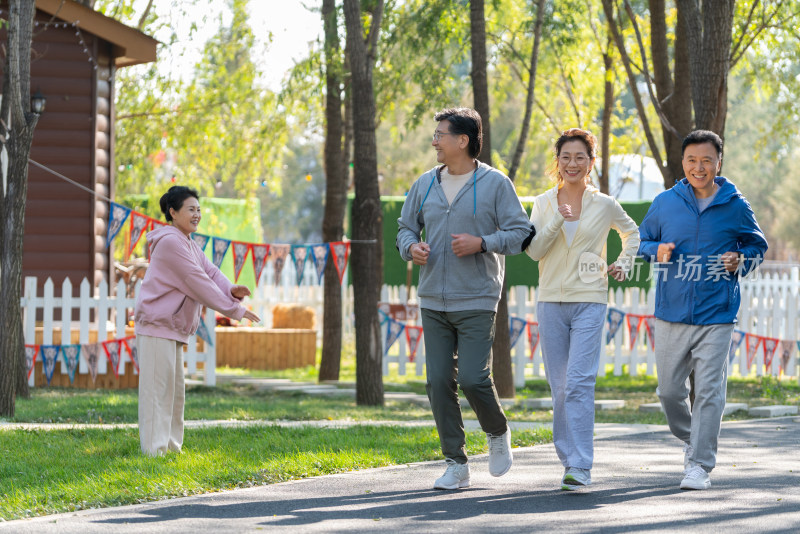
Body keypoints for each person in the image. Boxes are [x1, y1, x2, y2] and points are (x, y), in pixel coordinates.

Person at [396, 107, 534, 490]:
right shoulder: (425, 184)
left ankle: (497, 431)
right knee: (439, 381)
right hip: (433, 300)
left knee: (473, 378)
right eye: (435, 134)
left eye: (440, 134)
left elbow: (521, 232)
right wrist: (412, 249)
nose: (434, 141)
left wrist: (483, 243)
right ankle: (456, 463)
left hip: (476, 296)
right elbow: (405, 228)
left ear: (463, 140)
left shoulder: (495, 184)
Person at [638, 130, 768, 490]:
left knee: (709, 391)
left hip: (717, 313)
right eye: (692, 160)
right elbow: (641, 241)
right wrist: (656, 250)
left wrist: (740, 259)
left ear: (718, 163)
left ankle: (699, 464)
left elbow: (758, 245)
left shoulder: (736, 205)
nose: (699, 167)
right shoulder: (665, 202)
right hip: (671, 312)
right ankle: (692, 440)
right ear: (683, 163)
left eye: (707, 160)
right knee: (668, 392)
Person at [526, 128, 640, 490]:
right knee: (559, 387)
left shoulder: (604, 204)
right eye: (565, 157)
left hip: (590, 299)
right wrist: (559, 217)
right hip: (550, 301)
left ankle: (581, 464)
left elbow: (631, 232)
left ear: (591, 163)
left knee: (578, 382)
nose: (572, 163)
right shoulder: (544, 203)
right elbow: (533, 251)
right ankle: (567, 460)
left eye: (580, 157)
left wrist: (624, 262)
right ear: (556, 162)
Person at [134, 186, 261, 456]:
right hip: (158, 326)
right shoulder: (170, 242)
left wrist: (230, 290)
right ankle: (154, 452)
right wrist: (234, 310)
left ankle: (170, 448)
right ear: (173, 212)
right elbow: (197, 281)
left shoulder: (187, 243)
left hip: (171, 327)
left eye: (199, 210)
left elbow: (211, 272)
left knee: (175, 394)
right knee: (158, 392)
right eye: (191, 209)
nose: (197, 215)